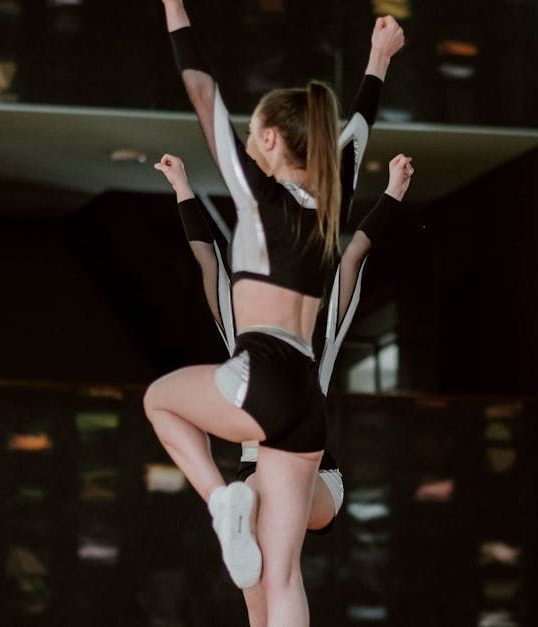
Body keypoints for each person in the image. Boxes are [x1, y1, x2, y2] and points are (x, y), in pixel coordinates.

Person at [142, 2, 405, 625]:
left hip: (257, 374)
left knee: (159, 400)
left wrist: (175, 8)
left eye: (254, 132)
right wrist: (378, 60)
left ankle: (219, 502)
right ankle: (232, 509)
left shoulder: (257, 196)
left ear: (266, 139)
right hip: (305, 405)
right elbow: (359, 129)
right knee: (282, 578)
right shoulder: (330, 205)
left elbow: (203, 92)